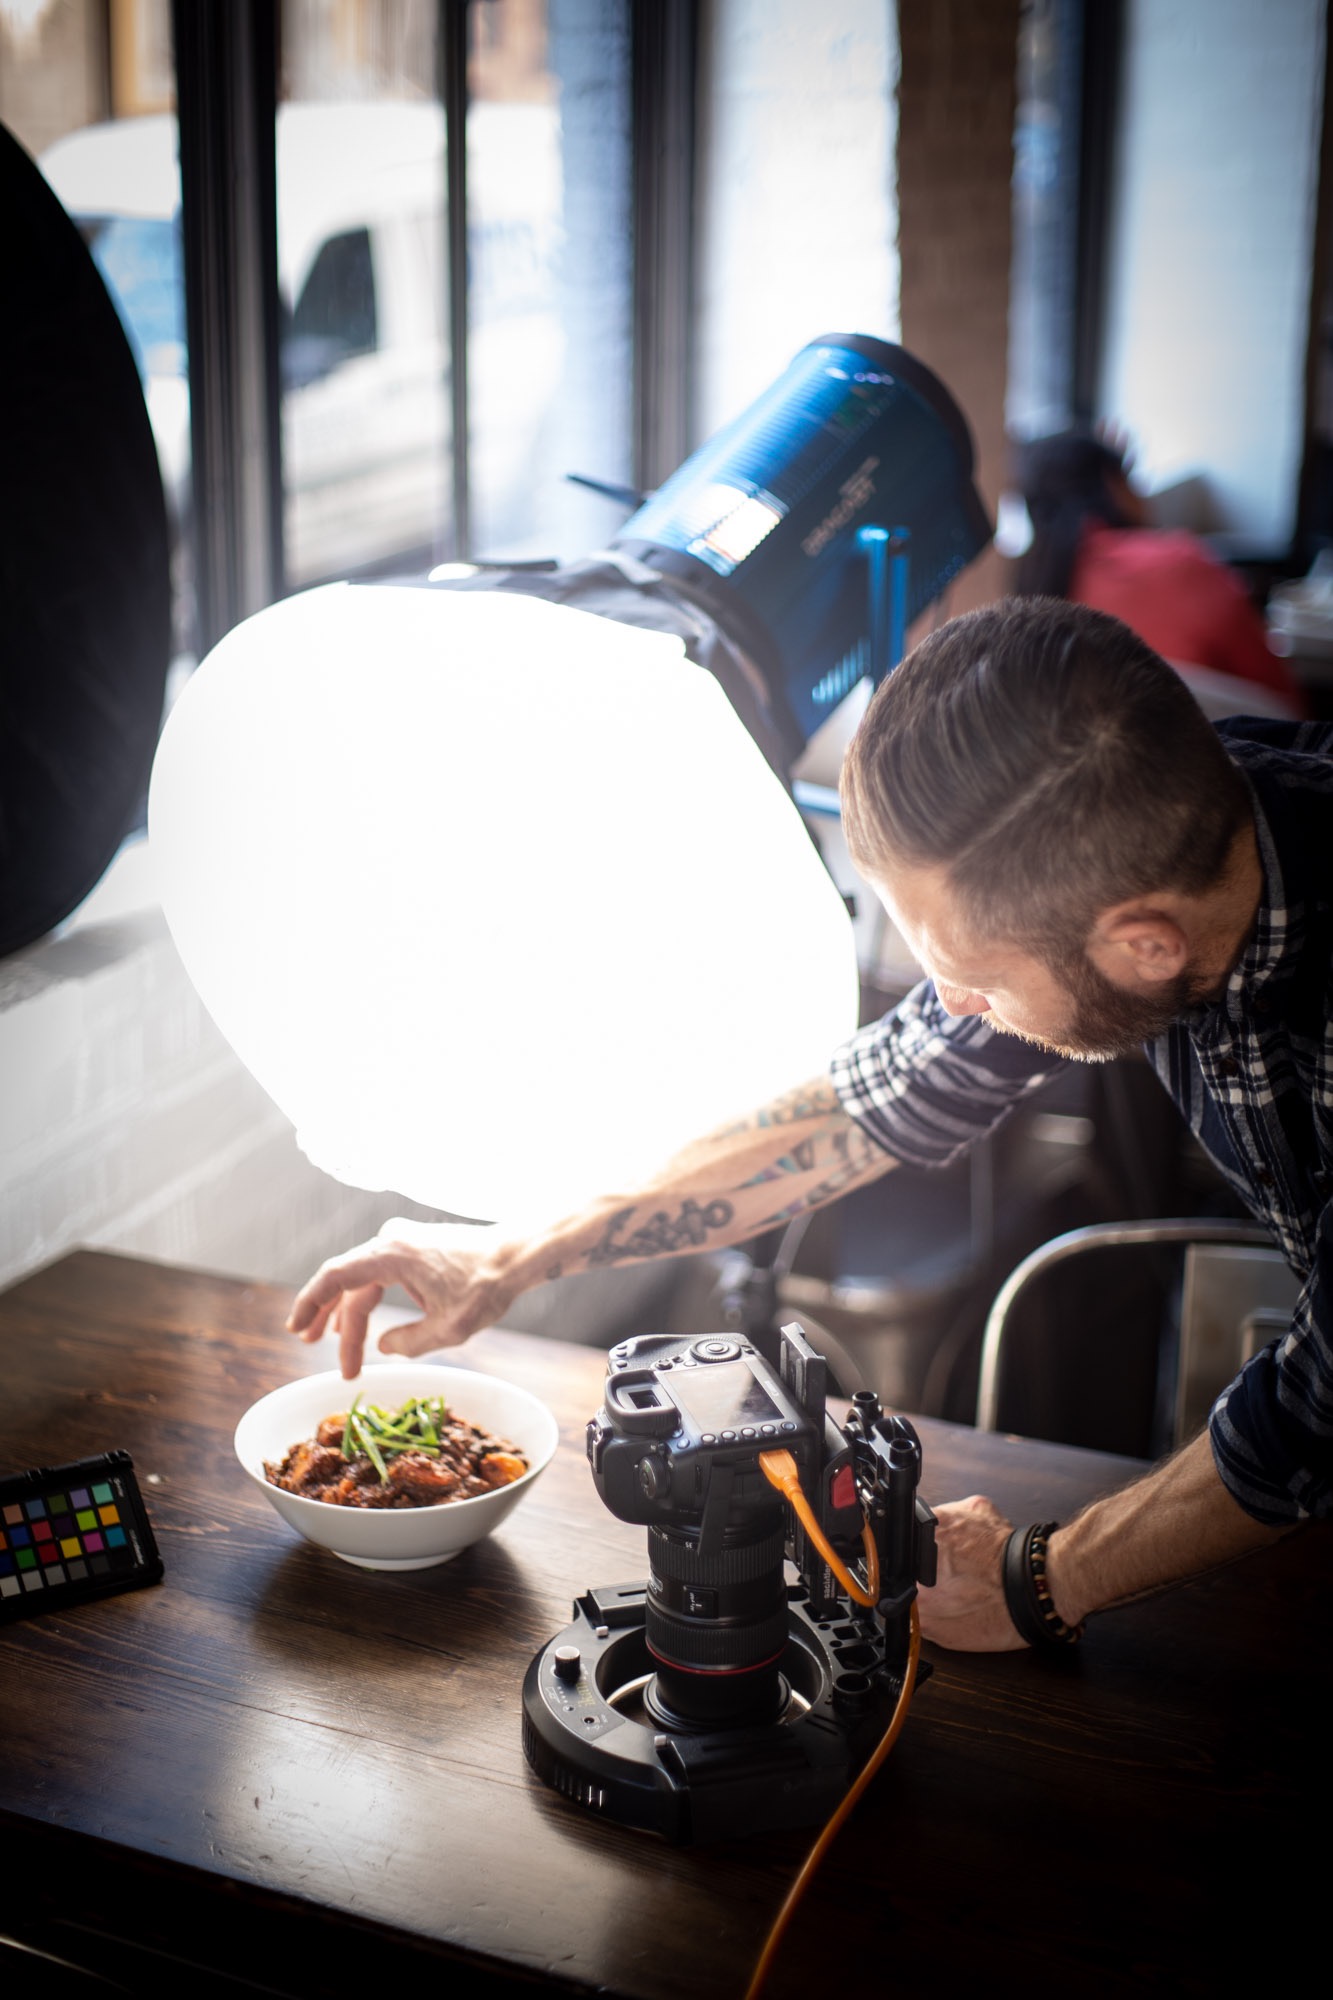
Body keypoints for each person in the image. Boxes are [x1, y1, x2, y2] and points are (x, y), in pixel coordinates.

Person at [287, 597, 1332, 1651]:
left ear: (1144, 946)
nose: (952, 1009)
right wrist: (508, 1257)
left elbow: (1319, 1406)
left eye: (971, 982)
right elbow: (858, 1103)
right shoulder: (1155, 851)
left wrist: (1044, 1576)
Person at [1013, 427, 1309, 716]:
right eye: (1131, 480)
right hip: (1220, 758)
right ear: (1114, 486)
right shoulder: (1182, 564)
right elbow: (1281, 698)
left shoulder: (1028, 590)